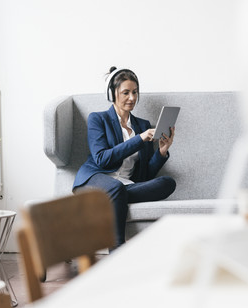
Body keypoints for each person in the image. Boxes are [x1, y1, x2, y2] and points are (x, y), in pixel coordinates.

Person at [72, 67, 176, 248]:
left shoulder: (142, 125)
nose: (132, 98)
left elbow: (145, 176)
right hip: (94, 179)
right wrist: (139, 138)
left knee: (168, 183)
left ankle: (114, 197)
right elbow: (102, 159)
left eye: (135, 92)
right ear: (112, 94)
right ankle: (117, 249)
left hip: (125, 185)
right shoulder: (98, 119)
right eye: (126, 92)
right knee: (116, 187)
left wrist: (161, 151)